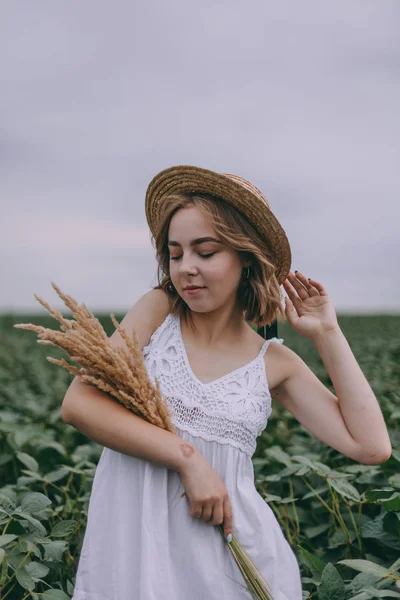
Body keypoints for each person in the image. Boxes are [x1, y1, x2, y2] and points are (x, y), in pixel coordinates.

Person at [62, 165, 392, 600]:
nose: (186, 269)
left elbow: (371, 446)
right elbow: (79, 404)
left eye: (206, 251)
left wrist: (328, 333)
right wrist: (188, 459)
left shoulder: (273, 362)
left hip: (231, 563)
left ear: (247, 256)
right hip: (137, 552)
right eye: (176, 253)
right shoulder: (157, 312)